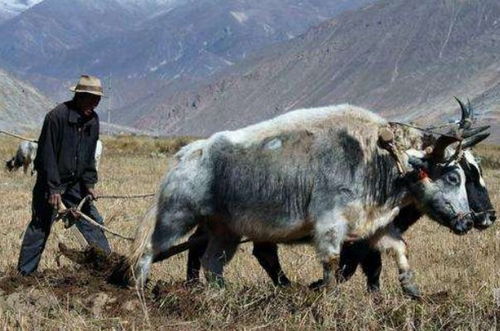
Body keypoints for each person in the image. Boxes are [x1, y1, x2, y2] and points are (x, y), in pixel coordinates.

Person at [17, 75, 111, 275]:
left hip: (75, 184)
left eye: (97, 100)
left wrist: (89, 183)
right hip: (51, 183)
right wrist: (52, 188)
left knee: (93, 223)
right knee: (40, 227)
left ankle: (106, 269)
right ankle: (24, 275)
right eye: (90, 99)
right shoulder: (56, 117)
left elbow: (88, 157)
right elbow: (46, 155)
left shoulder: (92, 120)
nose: (94, 104)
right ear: (79, 96)